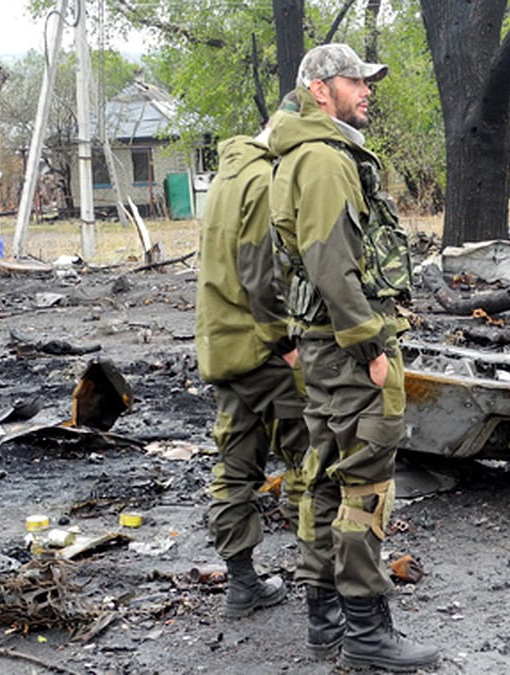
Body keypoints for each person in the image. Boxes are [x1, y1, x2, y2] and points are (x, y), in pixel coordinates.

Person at [269, 43, 438, 670]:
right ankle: (368, 631)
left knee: (322, 479)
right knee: (364, 486)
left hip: (321, 346)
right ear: (320, 89)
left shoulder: (300, 153)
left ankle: (327, 621)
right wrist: (369, 343)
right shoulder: (324, 160)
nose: (366, 90)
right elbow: (331, 264)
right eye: (355, 81)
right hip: (348, 349)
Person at [195, 104, 308, 619]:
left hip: (223, 344)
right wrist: (286, 342)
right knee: (311, 456)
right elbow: (261, 272)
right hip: (262, 347)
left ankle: (242, 585)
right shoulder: (265, 179)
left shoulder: (228, 174)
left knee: (235, 464)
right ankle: (322, 586)